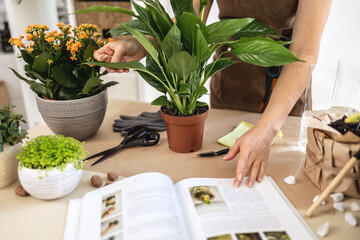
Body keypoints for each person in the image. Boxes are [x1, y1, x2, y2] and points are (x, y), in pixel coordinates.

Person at [94, 0, 333, 188]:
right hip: (228, 81)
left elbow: (304, 53)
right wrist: (140, 44)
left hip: (282, 90)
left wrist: (266, 129)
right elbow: (187, 22)